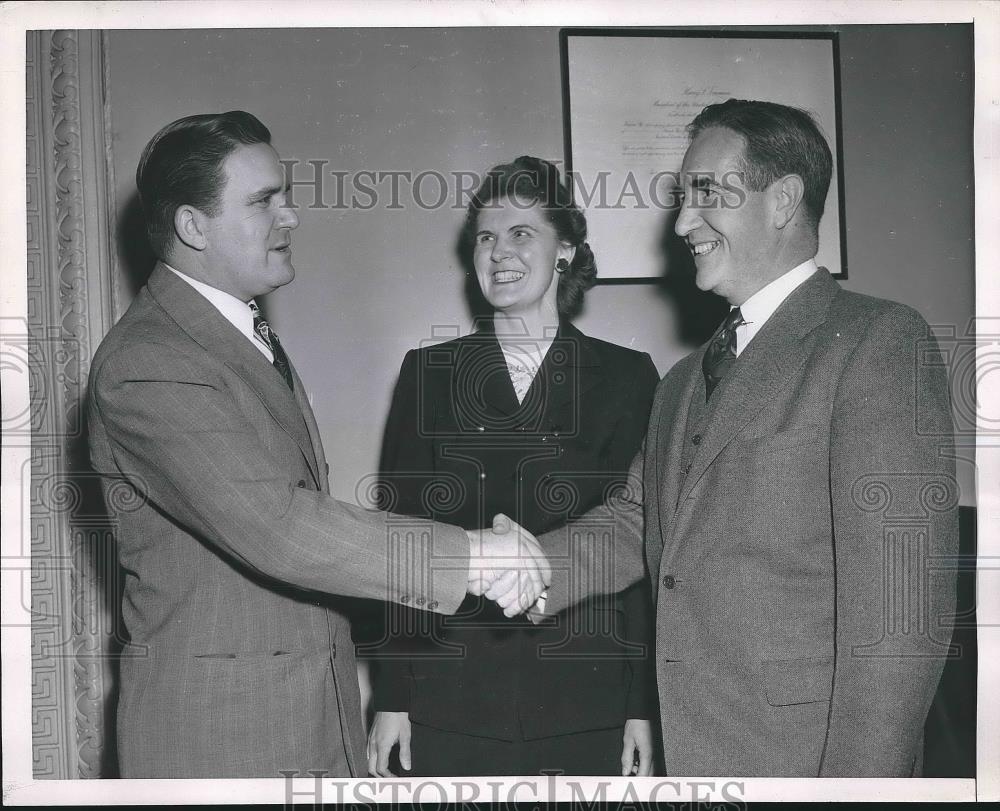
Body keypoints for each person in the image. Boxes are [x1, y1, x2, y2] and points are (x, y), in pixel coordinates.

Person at [86, 111, 546, 778]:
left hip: (300, 721)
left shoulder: (232, 333)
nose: (291, 216)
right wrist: (475, 556)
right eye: (263, 200)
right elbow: (278, 524)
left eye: (286, 195)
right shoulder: (150, 359)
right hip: (222, 741)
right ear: (192, 226)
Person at [514, 99, 959, 776]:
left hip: (805, 766)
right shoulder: (684, 378)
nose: (683, 221)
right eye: (682, 197)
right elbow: (637, 519)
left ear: (783, 201)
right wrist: (515, 565)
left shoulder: (878, 342)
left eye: (706, 194)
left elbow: (900, 620)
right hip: (692, 756)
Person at [364, 157, 660, 777]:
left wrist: (641, 707)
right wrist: (393, 698)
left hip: (587, 696)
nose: (500, 252)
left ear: (566, 250)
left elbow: (640, 552)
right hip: (453, 694)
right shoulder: (429, 373)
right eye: (486, 237)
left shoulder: (629, 378)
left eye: (522, 232)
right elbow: (400, 544)